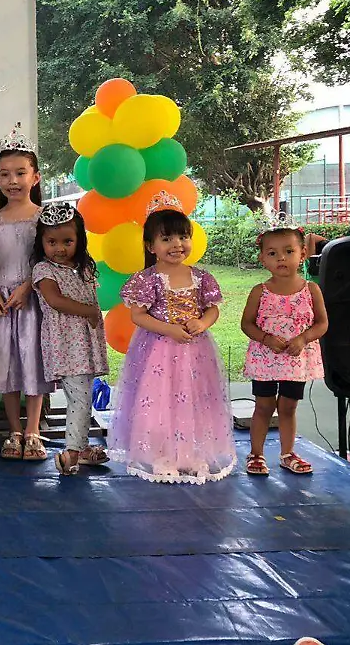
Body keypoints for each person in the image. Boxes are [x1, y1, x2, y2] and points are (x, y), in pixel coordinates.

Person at [108, 194, 235, 484]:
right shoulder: (146, 279)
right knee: (160, 400)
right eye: (166, 239)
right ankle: (162, 454)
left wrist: (202, 322)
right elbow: (138, 316)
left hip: (196, 351)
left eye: (183, 237)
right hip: (159, 352)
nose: (177, 244)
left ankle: (191, 453)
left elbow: (212, 309)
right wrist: (169, 329)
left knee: (196, 398)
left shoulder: (201, 277)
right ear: (150, 246)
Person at [0, 124, 51, 461]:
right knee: (5, 365)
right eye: (5, 174)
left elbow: (49, 261)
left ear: (35, 177)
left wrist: (27, 286)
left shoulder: (43, 218)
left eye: (20, 173)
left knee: (33, 363)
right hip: (2, 304)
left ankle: (32, 430)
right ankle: (14, 430)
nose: (13, 181)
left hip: (33, 301)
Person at [241, 224, 328, 476]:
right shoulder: (259, 291)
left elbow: (322, 323)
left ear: (302, 254)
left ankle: (287, 453)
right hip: (264, 360)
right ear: (262, 259)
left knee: (288, 407)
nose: (281, 258)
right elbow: (247, 324)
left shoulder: (311, 290)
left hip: (296, 361)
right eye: (272, 253)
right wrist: (265, 338)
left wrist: (303, 338)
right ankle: (256, 454)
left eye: (289, 251)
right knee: (263, 406)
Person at [31, 202, 110, 475]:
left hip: (84, 343)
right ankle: (72, 453)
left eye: (67, 241)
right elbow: (54, 300)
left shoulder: (83, 268)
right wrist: (89, 311)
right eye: (52, 242)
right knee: (81, 399)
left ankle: (82, 447)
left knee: (82, 395)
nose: (60, 248)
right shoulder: (44, 270)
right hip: (66, 345)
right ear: (42, 242)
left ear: (79, 240)